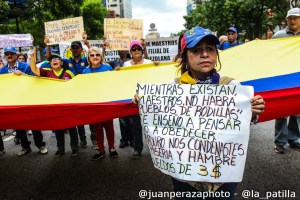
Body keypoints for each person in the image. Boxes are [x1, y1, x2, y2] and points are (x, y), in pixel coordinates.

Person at [133, 26, 265, 200]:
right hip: (185, 175)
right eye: (196, 50)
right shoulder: (173, 88)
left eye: (210, 49)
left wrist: (254, 112)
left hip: (223, 175)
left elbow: (239, 126)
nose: (204, 54)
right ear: (185, 57)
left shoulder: (232, 87)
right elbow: (161, 124)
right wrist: (145, 102)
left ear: (216, 54)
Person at [29, 51, 79, 157]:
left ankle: (75, 148)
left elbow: (76, 86)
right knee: (58, 128)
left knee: (72, 128)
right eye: (52, 60)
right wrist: (32, 58)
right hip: (55, 106)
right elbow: (34, 70)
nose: (54, 61)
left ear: (61, 62)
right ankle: (60, 149)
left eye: (56, 59)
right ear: (50, 64)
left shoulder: (69, 73)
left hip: (68, 105)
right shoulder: (47, 72)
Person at [1, 47, 48, 156]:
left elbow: (34, 80)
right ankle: (25, 146)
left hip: (27, 99)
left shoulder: (25, 66)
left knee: (34, 124)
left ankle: (40, 145)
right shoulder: (2, 71)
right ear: (4, 56)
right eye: (7, 54)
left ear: (16, 55)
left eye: (11, 53)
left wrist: (23, 75)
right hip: (13, 102)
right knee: (19, 125)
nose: (9, 56)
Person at [82, 46, 119, 160]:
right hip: (94, 104)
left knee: (109, 127)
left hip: (107, 102)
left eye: (97, 54)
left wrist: (118, 74)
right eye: (92, 55)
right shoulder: (85, 71)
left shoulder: (107, 68)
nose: (95, 57)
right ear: (88, 57)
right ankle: (101, 150)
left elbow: (115, 83)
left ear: (101, 56)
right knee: (97, 128)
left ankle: (112, 148)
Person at [272, 7, 300, 154]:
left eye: (295, 17)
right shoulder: (278, 35)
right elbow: (270, 54)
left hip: (298, 78)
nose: (292, 20)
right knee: (281, 111)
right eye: (290, 18)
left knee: (297, 110)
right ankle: (279, 142)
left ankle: (294, 140)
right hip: (282, 77)